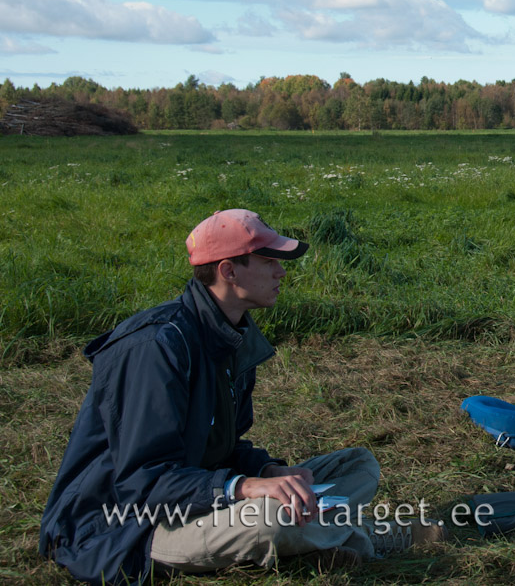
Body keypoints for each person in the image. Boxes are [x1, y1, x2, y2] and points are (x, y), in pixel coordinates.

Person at [39, 209, 429, 584]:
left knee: (356, 465)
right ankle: (367, 538)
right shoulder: (155, 348)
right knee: (270, 518)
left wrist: (268, 471)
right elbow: (142, 482)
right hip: (125, 526)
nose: (281, 271)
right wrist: (242, 487)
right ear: (228, 270)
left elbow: (218, 450)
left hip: (193, 500)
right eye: (268, 260)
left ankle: (313, 542)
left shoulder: (231, 334)